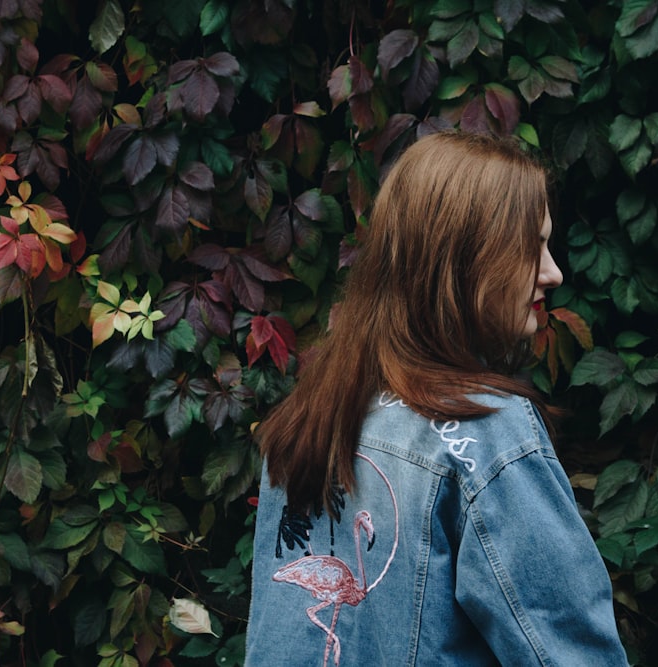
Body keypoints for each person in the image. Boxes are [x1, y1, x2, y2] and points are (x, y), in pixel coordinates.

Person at [245, 131, 629, 666]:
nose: (553, 273)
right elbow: (568, 653)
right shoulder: (488, 434)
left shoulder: (309, 418)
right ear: (468, 260)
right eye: (531, 247)